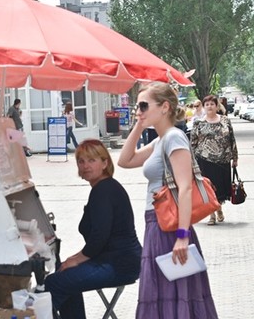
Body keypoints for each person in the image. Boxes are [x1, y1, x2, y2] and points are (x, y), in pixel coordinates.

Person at [118, 82, 218, 318]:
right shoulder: (160, 140)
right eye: (137, 106)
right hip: (158, 223)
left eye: (143, 105)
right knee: (162, 293)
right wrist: (138, 126)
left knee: (174, 293)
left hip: (171, 226)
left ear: (164, 107)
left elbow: (184, 189)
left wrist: (182, 237)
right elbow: (125, 160)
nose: (138, 110)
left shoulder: (174, 137)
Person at [45, 139, 142, 319]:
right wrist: (73, 259)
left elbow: (99, 236)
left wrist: (76, 259)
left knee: (53, 283)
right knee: (66, 275)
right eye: (81, 161)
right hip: (120, 260)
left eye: (92, 160)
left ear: (105, 163)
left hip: (118, 264)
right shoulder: (105, 187)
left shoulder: (103, 190)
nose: (85, 166)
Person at [190, 95, 238, 225]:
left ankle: (218, 209)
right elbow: (193, 142)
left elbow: (232, 139)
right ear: (204, 107)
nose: (209, 106)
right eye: (207, 104)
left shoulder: (225, 120)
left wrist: (235, 157)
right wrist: (191, 161)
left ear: (217, 106)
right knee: (208, 189)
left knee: (220, 189)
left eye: (212, 104)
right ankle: (211, 215)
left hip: (223, 160)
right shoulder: (198, 123)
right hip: (204, 160)